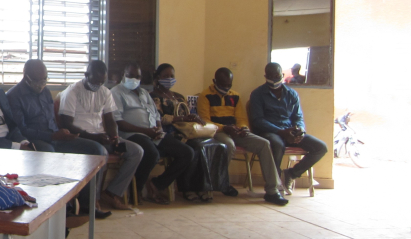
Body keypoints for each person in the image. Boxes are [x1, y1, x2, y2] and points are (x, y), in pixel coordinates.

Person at [53, 60, 143, 213]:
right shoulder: (73, 91)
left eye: (102, 82)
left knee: (136, 151)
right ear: (86, 75)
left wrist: (114, 137)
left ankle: (112, 193)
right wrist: (95, 138)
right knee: (101, 153)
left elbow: (110, 120)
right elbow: (66, 124)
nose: (98, 85)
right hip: (80, 137)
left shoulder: (105, 92)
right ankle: (92, 201)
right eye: (95, 81)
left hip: (101, 137)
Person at [111, 63, 194, 205]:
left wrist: (158, 129)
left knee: (187, 152)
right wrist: (146, 131)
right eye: (130, 76)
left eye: (137, 76)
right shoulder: (116, 92)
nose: (134, 79)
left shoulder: (144, 93)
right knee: (152, 154)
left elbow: (156, 115)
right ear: (123, 75)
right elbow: (118, 122)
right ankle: (136, 191)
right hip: (131, 134)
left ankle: (157, 184)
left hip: (152, 133)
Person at [197, 67, 282, 201]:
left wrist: (243, 128)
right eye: (222, 85)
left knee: (264, 144)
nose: (226, 88)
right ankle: (219, 183)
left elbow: (241, 118)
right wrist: (225, 128)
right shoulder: (205, 95)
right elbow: (206, 122)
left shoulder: (235, 96)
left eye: (229, 85)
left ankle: (273, 190)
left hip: (235, 131)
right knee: (229, 145)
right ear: (214, 81)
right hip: (217, 132)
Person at [248, 63, 328, 201]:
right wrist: (281, 131)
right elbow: (258, 121)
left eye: (277, 75)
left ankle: (291, 173)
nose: (274, 78)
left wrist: (299, 131)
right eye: (271, 76)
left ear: (282, 75)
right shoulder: (257, 94)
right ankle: (275, 184)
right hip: (270, 132)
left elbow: (298, 117)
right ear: (265, 76)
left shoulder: (292, 94)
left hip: (290, 131)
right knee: (277, 145)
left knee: (321, 147)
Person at [150, 63, 223, 203]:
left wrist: (195, 118)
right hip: (168, 134)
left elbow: (188, 115)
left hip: (186, 132)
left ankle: (202, 186)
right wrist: (182, 118)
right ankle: (186, 188)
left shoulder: (179, 96)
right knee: (192, 148)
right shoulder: (154, 97)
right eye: (165, 76)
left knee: (205, 145)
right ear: (158, 77)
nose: (169, 79)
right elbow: (159, 119)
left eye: (172, 76)